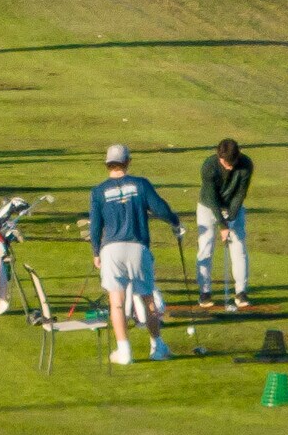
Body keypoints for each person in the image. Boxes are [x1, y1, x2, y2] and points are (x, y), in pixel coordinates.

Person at [89, 144, 182, 365]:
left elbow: (95, 226)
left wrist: (95, 251)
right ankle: (157, 345)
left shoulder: (98, 191)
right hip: (137, 248)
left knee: (117, 303)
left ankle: (124, 352)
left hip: (111, 249)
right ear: (128, 162)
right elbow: (160, 208)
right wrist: (175, 222)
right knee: (147, 299)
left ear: (107, 164)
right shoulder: (140, 184)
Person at [196, 138, 254, 310]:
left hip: (232, 207)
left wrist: (230, 220)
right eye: (224, 162)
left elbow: (240, 195)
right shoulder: (209, 166)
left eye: (231, 163)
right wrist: (222, 225)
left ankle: (241, 292)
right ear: (218, 156)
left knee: (239, 248)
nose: (228, 166)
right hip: (208, 206)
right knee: (205, 247)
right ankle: (204, 292)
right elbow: (212, 198)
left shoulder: (246, 165)